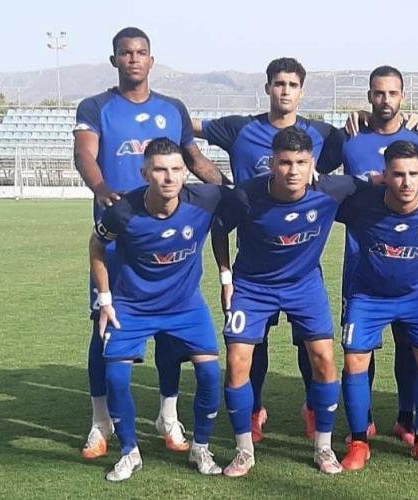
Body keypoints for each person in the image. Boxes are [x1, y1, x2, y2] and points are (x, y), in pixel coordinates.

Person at [210, 127, 418, 477]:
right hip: (253, 286)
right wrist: (225, 276)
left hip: (304, 285)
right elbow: (219, 227)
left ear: (312, 164)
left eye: (300, 163)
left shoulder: (331, 188)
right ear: (272, 163)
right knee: (237, 362)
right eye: (285, 163)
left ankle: (324, 447)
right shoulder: (246, 195)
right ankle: (244, 451)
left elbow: (378, 178)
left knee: (324, 359)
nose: (292, 171)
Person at [73, 26, 224, 459]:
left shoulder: (172, 108)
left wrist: (228, 189)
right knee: (104, 326)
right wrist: (103, 189)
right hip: (118, 237)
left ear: (151, 60)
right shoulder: (96, 106)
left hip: (163, 233)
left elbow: (194, 160)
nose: (134, 59)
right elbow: (84, 153)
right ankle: (100, 422)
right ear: (115, 60)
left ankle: (167, 416)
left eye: (141, 52)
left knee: (172, 330)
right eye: (126, 53)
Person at [194, 57, 345, 442]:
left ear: (302, 91)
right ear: (267, 88)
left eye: (292, 85)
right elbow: (183, 129)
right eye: (279, 83)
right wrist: (218, 182)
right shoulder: (241, 128)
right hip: (254, 256)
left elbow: (365, 151)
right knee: (250, 346)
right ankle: (253, 409)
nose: (285, 91)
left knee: (310, 345)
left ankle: (314, 408)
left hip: (300, 262)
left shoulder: (321, 133)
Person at [91, 138, 232, 481]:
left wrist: (226, 277)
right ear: (145, 173)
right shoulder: (123, 211)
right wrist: (105, 299)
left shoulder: (206, 198)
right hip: (133, 306)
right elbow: (97, 245)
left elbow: (245, 203)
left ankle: (201, 448)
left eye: (176, 169)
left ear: (185, 172)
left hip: (185, 305)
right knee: (116, 377)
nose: (169, 177)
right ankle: (129, 452)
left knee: (210, 374)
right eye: (159, 170)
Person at [339, 65, 418, 445]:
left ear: (403, 96)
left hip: (409, 267)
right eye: (378, 93)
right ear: (369, 96)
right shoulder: (350, 139)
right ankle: (361, 424)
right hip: (361, 264)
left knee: (410, 345)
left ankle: (406, 418)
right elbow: (322, 176)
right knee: (359, 351)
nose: (385, 100)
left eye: (392, 93)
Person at [336, 140, 418, 470]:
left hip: (416, 295)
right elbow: (325, 194)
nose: (406, 182)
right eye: (398, 174)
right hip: (368, 295)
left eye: (414, 174)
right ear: (384, 176)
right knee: (355, 361)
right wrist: (361, 180)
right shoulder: (361, 205)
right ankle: (359, 442)